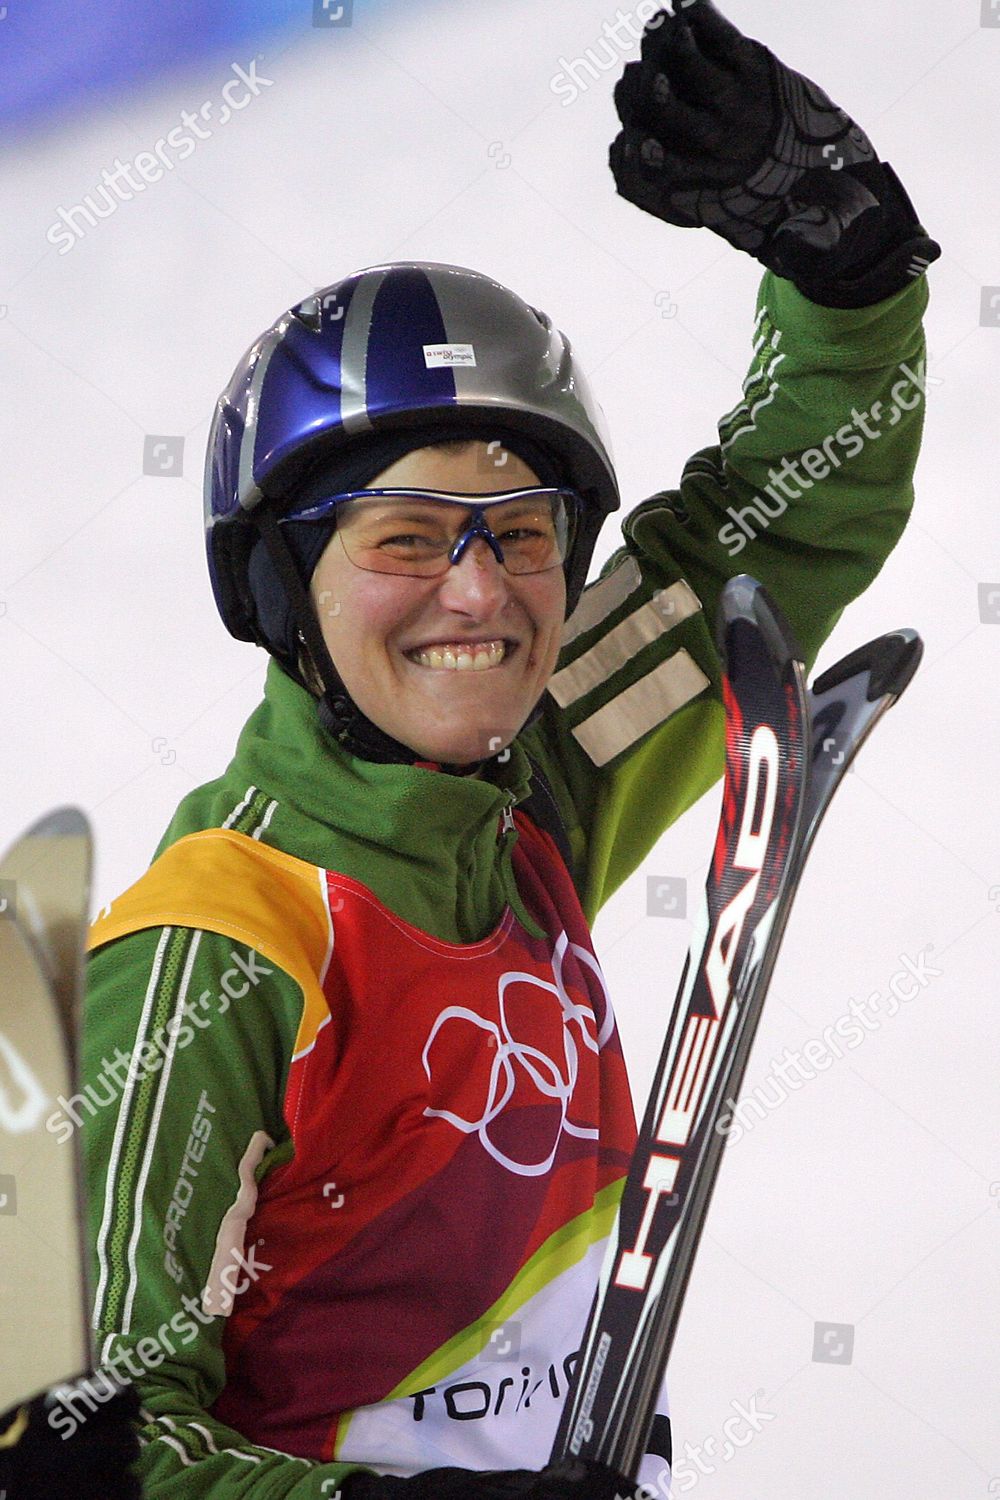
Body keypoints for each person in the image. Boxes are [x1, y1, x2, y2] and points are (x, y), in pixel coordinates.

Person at [0, 3, 940, 1496]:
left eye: (521, 534)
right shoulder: (214, 958)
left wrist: (850, 279)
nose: (481, 592)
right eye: (408, 539)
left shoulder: (532, 790)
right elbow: (78, 1458)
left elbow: (790, 522)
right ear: (276, 587)